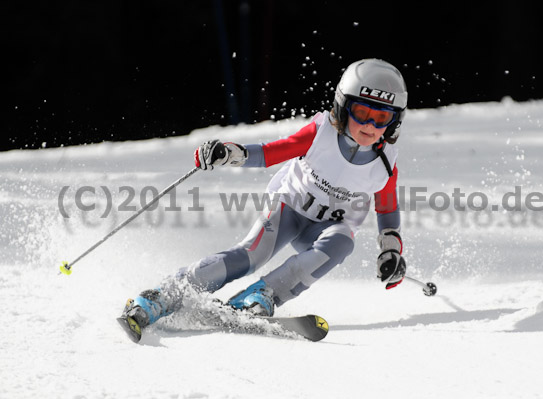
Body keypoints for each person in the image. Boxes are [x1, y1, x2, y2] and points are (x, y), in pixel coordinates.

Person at [121, 58, 409, 333]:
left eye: (381, 118)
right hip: (289, 208)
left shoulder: (384, 163)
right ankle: (165, 294)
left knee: (344, 241)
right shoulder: (321, 134)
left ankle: (262, 295)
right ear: (343, 107)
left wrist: (390, 249)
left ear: (394, 122)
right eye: (362, 113)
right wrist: (229, 154)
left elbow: (386, 208)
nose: (370, 126)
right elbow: (272, 151)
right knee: (251, 255)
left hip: (328, 227)